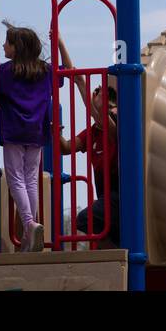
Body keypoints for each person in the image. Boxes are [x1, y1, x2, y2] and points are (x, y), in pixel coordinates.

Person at [0, 23, 53, 253]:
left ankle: (29, 224)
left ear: (16, 47)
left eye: (7, 42)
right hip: (37, 130)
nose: (3, 45)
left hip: (13, 129)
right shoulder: (45, 70)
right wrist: (59, 43)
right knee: (31, 179)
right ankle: (29, 236)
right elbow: (62, 77)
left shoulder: (4, 71)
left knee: (16, 178)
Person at [56, 37, 120, 248]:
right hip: (105, 199)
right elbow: (66, 148)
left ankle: (114, 252)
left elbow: (104, 120)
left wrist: (100, 106)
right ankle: (114, 251)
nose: (95, 94)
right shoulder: (92, 132)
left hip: (121, 196)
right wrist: (54, 130)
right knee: (99, 228)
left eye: (99, 92)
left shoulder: (117, 124)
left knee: (86, 219)